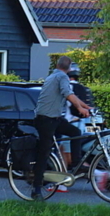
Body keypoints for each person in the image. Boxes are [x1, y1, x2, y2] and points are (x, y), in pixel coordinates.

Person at [33, 56, 91, 199]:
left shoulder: (53, 76)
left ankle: (76, 163)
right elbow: (68, 94)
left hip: (53, 118)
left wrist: (86, 106)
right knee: (44, 152)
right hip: (47, 120)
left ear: (57, 64)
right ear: (69, 68)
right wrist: (80, 108)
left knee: (75, 132)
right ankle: (36, 190)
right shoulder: (62, 77)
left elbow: (71, 95)